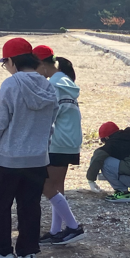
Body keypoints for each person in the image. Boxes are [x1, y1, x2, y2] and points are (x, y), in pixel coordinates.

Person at [0, 38, 58, 258]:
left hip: (9, 158)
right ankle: (27, 253)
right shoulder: (49, 86)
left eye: (5, 63)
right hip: (37, 159)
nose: (6, 67)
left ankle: (1, 253)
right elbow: (51, 124)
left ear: (12, 61)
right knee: (30, 206)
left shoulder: (11, 84)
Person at [33, 44, 85, 245]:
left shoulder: (52, 85)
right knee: (57, 186)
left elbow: (48, 116)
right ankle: (56, 230)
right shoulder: (65, 81)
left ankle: (73, 226)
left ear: (43, 66)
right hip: (70, 140)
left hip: (57, 141)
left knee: (45, 184)